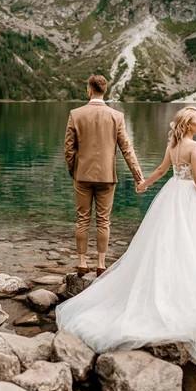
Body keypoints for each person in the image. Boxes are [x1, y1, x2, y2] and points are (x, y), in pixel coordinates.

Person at [56, 106, 196, 368]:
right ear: (188, 124)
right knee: (191, 243)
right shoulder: (193, 147)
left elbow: (160, 170)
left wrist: (144, 184)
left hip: (172, 195)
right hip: (190, 196)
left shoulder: (174, 146)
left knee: (170, 242)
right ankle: (190, 292)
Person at [64, 75, 145, 277]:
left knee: (83, 219)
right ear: (104, 91)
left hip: (82, 175)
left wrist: (73, 169)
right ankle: (101, 264)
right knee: (103, 221)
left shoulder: (76, 114)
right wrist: (138, 177)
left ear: (89, 90)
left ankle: (82, 263)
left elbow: (68, 148)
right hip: (107, 177)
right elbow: (127, 149)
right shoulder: (116, 116)